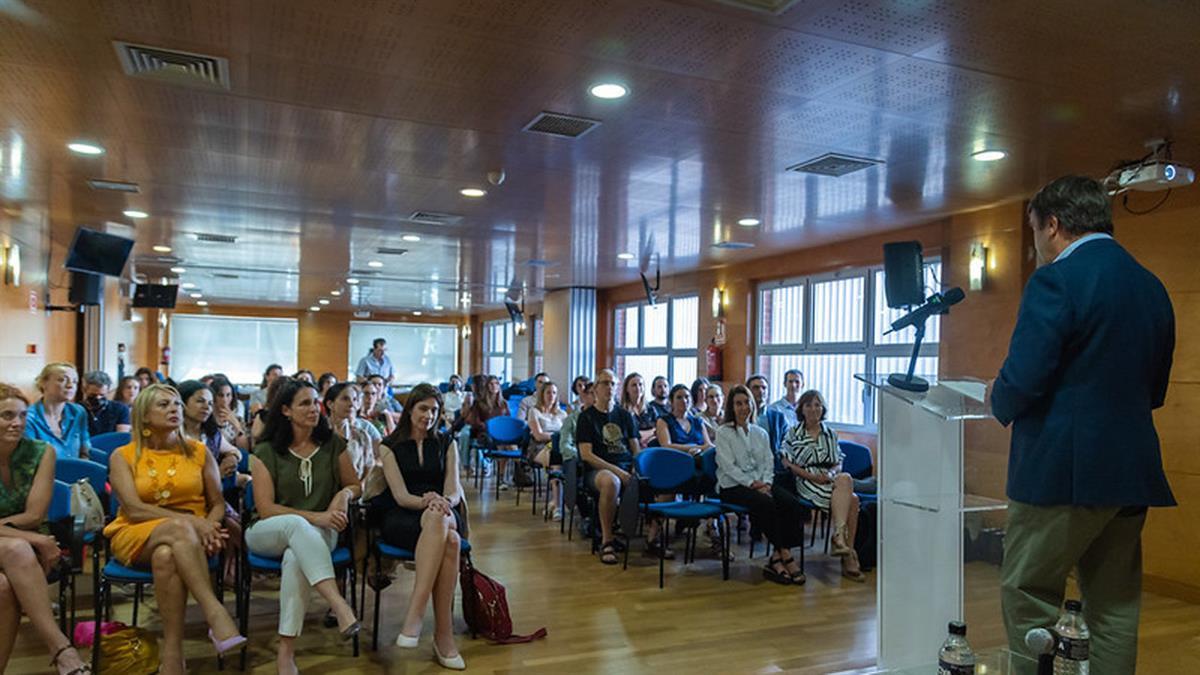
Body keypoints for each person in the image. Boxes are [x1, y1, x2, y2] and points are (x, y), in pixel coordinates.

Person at [991, 176, 1175, 673]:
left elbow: (1025, 376)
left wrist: (997, 397)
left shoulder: (1057, 280)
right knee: (1114, 608)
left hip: (1061, 474)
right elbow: (1154, 390)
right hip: (1130, 473)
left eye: (1033, 231)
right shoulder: (1151, 286)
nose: (1034, 245)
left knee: (1029, 593)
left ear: (1052, 225)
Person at [103, 384, 246, 674]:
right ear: (144, 416)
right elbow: (133, 509)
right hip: (136, 531)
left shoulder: (199, 451)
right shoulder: (123, 455)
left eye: (177, 405)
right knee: (178, 529)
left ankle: (172, 654)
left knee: (167, 555)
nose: (174, 410)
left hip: (190, 539)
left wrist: (208, 524)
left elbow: (217, 503)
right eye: (164, 405)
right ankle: (215, 613)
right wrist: (197, 523)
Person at [245, 379, 362, 675]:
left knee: (296, 557)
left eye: (315, 402)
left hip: (320, 535)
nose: (314, 409)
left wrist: (344, 494)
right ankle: (338, 603)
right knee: (297, 525)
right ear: (285, 410)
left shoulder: (333, 444)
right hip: (269, 530)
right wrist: (318, 517)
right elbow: (266, 509)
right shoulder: (265, 451)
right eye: (305, 403)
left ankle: (286, 653)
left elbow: (354, 484)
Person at [370, 384, 465, 669]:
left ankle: (416, 613)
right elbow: (400, 495)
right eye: (423, 408)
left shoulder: (448, 442)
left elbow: (454, 490)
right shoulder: (389, 446)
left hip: (442, 511)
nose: (429, 415)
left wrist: (442, 500)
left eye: (434, 410)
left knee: (443, 524)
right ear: (410, 409)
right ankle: (443, 637)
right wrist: (429, 501)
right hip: (403, 513)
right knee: (452, 541)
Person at [0, 384, 91, 675]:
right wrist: (37, 539)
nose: (17, 423)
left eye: (23, 415)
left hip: (23, 552)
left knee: (3, 586)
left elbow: (33, 514)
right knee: (16, 547)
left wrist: (30, 535)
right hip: (27, 546)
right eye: (6, 415)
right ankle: (61, 648)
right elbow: (28, 527)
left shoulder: (41, 452)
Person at [715, 384, 807, 585]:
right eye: (738, 403)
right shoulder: (723, 432)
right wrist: (753, 483)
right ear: (732, 407)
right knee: (765, 504)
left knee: (791, 503)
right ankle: (785, 554)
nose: (743, 407)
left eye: (746, 402)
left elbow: (768, 461)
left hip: (761, 483)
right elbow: (728, 467)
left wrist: (766, 482)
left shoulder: (760, 432)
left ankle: (775, 557)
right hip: (733, 486)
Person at [780, 390, 864, 582]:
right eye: (808, 405)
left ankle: (841, 539)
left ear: (823, 408)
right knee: (853, 500)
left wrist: (831, 473)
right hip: (806, 479)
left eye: (817, 404)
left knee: (845, 478)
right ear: (801, 408)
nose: (813, 409)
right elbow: (787, 463)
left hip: (829, 478)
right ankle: (848, 553)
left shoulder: (830, 433)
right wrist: (811, 475)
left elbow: (838, 461)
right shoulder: (794, 433)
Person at [576, 369, 639, 565]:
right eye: (605, 383)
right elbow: (587, 455)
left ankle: (654, 537)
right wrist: (617, 471)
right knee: (611, 482)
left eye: (613, 383)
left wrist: (637, 468)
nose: (609, 387)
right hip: (598, 470)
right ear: (595, 388)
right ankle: (607, 540)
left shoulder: (625, 416)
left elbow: (635, 449)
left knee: (653, 478)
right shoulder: (586, 418)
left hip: (625, 465)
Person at [324, 383, 385, 503]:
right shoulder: (319, 433)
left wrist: (359, 489)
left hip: (353, 493)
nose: (351, 404)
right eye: (345, 399)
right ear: (330, 404)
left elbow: (369, 466)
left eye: (355, 399)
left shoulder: (361, 435)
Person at [24, 363, 91, 460]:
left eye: (75, 382)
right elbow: (29, 461)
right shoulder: (28, 418)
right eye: (62, 380)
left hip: (77, 472)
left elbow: (85, 451)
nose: (70, 385)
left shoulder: (78, 412)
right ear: (43, 383)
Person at [528, 380, 567, 520]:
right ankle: (558, 507)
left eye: (554, 393)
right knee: (556, 461)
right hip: (538, 448)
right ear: (542, 394)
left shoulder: (562, 414)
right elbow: (538, 435)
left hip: (559, 447)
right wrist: (556, 436)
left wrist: (557, 439)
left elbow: (568, 435)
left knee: (564, 461)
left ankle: (554, 502)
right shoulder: (534, 411)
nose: (552, 395)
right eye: (548, 392)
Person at [463, 376, 512, 489]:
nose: (494, 386)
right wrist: (492, 427)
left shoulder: (503, 403)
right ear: (487, 386)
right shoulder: (479, 403)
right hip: (485, 434)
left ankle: (504, 477)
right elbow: (475, 422)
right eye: (491, 383)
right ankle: (506, 477)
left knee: (510, 444)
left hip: (501, 435)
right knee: (505, 444)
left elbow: (508, 420)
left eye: (496, 383)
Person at [81, 370, 132, 435]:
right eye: (93, 395)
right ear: (84, 390)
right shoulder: (77, 409)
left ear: (108, 390)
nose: (98, 398)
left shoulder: (120, 409)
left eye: (102, 395)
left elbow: (121, 437)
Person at [746, 374, 788, 452]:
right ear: (748, 391)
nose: (761, 391)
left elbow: (786, 442)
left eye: (764, 388)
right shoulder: (741, 415)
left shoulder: (778, 418)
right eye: (756, 388)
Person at [558, 381, 593, 468]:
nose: (596, 397)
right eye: (592, 393)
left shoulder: (603, 418)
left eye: (598, 393)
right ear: (584, 396)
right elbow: (564, 446)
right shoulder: (572, 419)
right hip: (577, 459)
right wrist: (584, 455)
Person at [209, 375, 248, 451]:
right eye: (220, 395)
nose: (225, 400)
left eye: (228, 395)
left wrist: (236, 424)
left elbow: (245, 449)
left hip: (235, 454)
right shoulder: (207, 414)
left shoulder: (236, 414)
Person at [620, 373, 657, 449]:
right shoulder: (621, 411)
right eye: (634, 385)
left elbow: (659, 430)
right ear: (626, 389)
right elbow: (626, 435)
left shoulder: (651, 409)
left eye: (640, 384)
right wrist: (649, 433)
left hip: (651, 445)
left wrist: (641, 436)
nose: (638, 387)